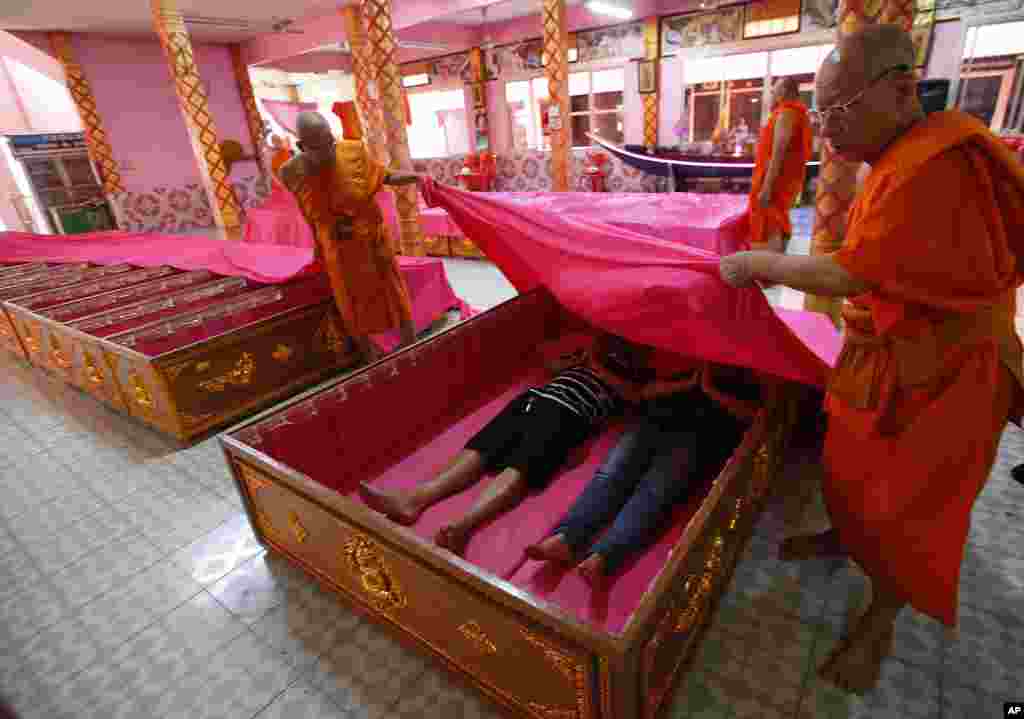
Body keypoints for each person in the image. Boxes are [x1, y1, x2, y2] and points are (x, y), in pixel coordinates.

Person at [719, 24, 1024, 694]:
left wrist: (755, 263)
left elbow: (852, 273)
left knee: (911, 510)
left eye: (836, 113)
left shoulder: (936, 162)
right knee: (850, 465)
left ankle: (881, 616)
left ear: (902, 89)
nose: (824, 134)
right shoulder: (896, 156)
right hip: (887, 351)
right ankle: (845, 534)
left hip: (947, 374)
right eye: (820, 114)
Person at [359, 333, 700, 556]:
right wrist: (574, 360)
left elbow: (637, 395)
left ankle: (463, 526)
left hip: (571, 414)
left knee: (520, 467)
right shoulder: (594, 348)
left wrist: (600, 367)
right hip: (536, 397)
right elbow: (547, 362)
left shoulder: (639, 372)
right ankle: (414, 500)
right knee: (479, 451)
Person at [526, 362, 761, 586]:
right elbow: (645, 391)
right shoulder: (685, 352)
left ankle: (605, 556)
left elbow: (753, 416)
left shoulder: (749, 375)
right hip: (655, 419)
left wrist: (710, 388)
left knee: (654, 492)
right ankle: (566, 539)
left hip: (701, 435)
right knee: (611, 475)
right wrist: (691, 381)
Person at [280, 111, 418, 362]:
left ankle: (411, 344)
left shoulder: (354, 151)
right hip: (337, 247)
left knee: (393, 292)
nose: (330, 151)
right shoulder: (291, 173)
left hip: (372, 238)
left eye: (331, 142)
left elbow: (383, 175)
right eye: (320, 148)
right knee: (349, 301)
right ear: (301, 146)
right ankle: (370, 355)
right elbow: (309, 211)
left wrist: (416, 177)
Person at [748, 77, 814, 253]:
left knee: (771, 219)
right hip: (779, 176)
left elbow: (779, 152)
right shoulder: (790, 113)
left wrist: (767, 186)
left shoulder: (787, 113)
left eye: (775, 89)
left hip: (776, 179)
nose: (772, 93)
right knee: (775, 218)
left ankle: (770, 266)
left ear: (784, 91)